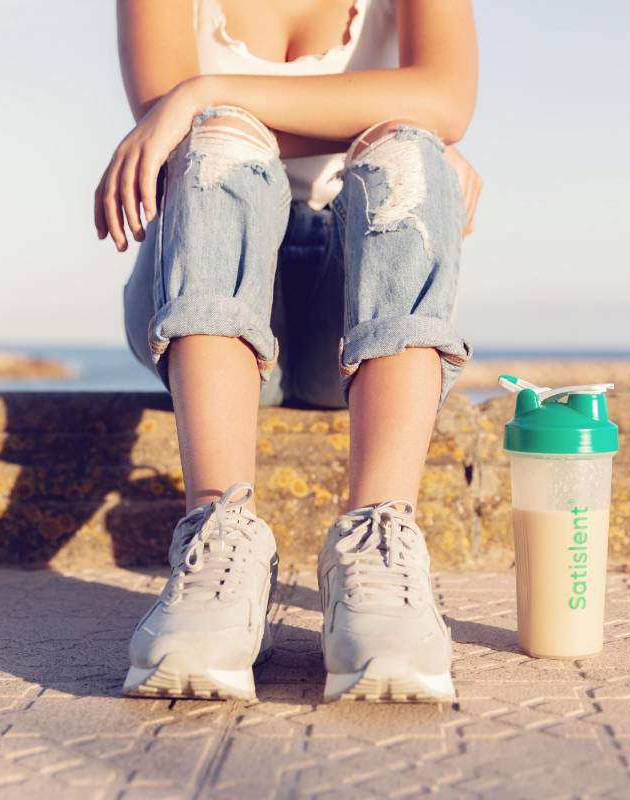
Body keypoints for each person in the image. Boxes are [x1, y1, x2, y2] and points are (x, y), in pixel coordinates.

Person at [97, 0, 481, 703]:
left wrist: (205, 90)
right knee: (220, 143)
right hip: (213, 292)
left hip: (351, 307)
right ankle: (217, 548)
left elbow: (446, 100)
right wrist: (385, 114)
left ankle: (379, 557)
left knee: (409, 152)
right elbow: (174, 133)